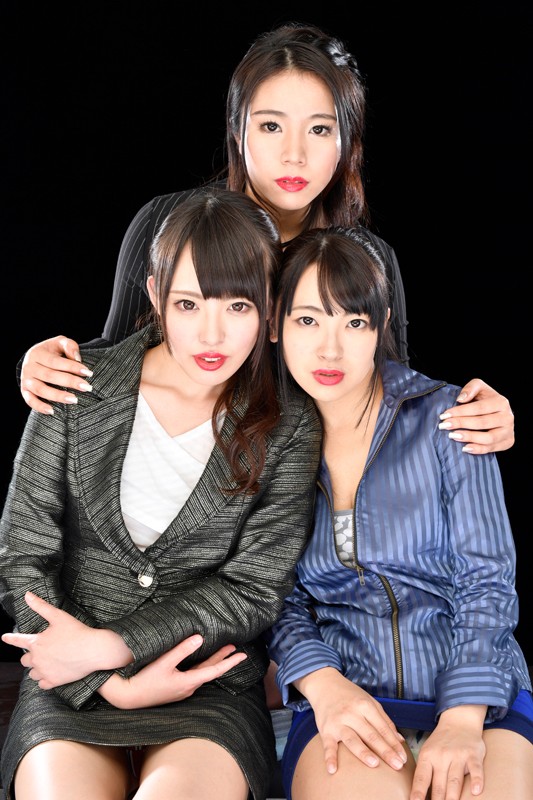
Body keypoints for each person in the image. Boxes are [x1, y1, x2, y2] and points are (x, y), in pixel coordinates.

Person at [17, 22, 514, 456]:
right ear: (238, 130)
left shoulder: (368, 258)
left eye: (320, 130)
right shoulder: (166, 222)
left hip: (304, 498)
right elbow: (118, 357)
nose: (294, 154)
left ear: (347, 141)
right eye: (271, 125)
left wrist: (476, 412)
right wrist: (44, 364)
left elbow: (391, 400)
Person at [0, 187, 322, 800]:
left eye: (238, 306)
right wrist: (103, 678)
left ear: (271, 307)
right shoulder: (75, 386)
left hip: (204, 685)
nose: (211, 333)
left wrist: (118, 645)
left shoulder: (289, 423)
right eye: (188, 303)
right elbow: (24, 556)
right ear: (155, 296)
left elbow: (253, 587)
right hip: (71, 680)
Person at [265, 225, 533, 800]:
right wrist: (324, 686)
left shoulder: (449, 417)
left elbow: (487, 579)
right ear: (275, 324)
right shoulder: (264, 444)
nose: (330, 349)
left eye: (354, 323)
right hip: (347, 693)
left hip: (479, 691)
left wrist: (461, 717)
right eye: (308, 320)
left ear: (382, 325)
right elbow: (275, 599)